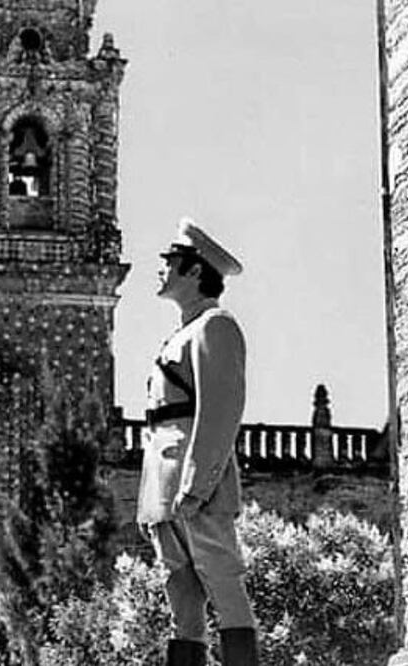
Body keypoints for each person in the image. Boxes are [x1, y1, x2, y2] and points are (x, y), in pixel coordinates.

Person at [137, 218, 259, 666]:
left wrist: (196, 485)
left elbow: (220, 413)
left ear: (193, 271)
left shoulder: (215, 327)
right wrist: (151, 502)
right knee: (182, 603)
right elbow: (159, 426)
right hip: (166, 494)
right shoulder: (182, 334)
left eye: (170, 261)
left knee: (224, 586)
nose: (162, 268)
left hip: (194, 489)